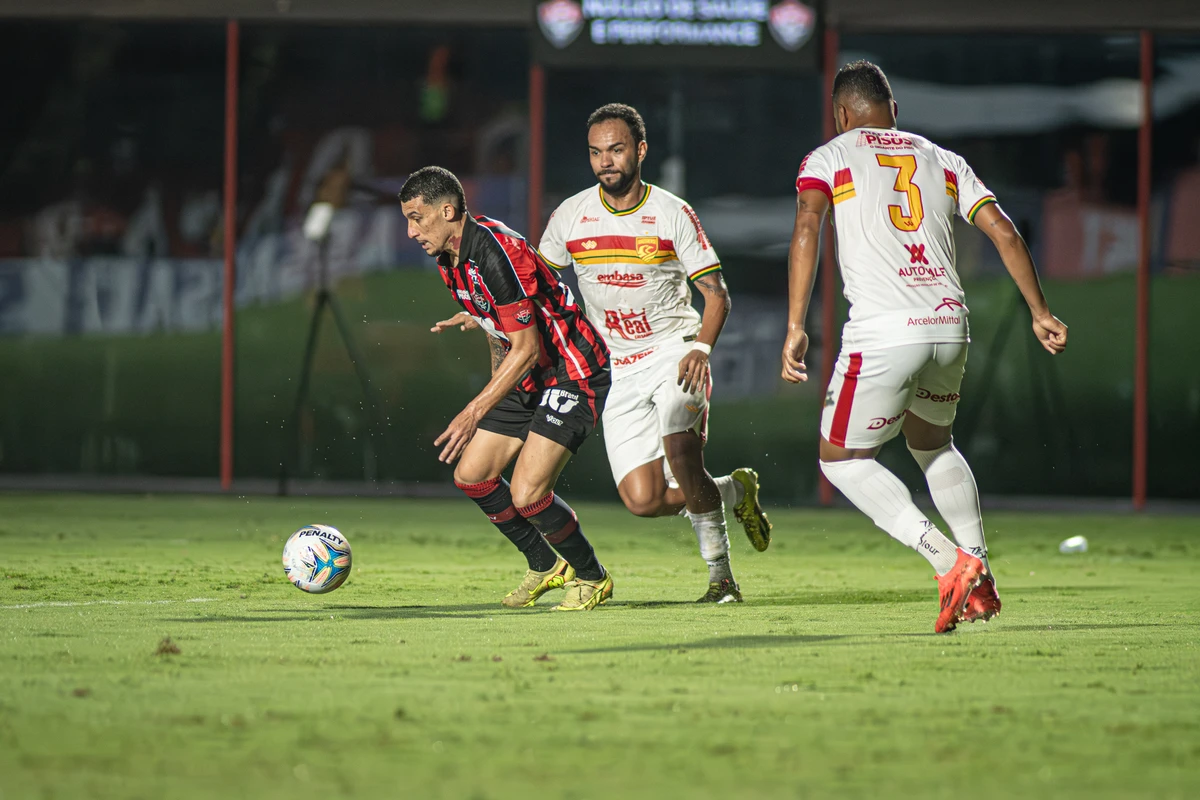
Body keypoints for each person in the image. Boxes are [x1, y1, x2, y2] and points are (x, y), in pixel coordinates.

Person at [782, 61, 1068, 632]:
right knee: (932, 442)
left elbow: (808, 227)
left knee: (839, 460)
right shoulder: (941, 158)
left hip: (884, 332)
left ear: (841, 115)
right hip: (949, 327)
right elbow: (1005, 230)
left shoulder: (829, 157)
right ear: (895, 112)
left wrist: (796, 323)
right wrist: (1039, 310)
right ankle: (981, 571)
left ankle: (948, 562)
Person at [538, 103, 772, 604]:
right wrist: (487, 311)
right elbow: (535, 286)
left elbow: (717, 294)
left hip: (675, 354)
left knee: (683, 456)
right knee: (643, 501)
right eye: (597, 152)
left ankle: (722, 579)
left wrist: (702, 350)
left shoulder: (671, 212)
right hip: (616, 368)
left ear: (640, 150)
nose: (606, 161)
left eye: (616, 149)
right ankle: (733, 491)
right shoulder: (570, 215)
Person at [399, 166, 614, 611]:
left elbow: (528, 346)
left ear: (448, 210)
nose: (410, 231)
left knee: (527, 493)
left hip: (572, 369)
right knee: (472, 474)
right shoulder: (448, 259)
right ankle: (545, 565)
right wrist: (495, 376)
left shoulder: (494, 252)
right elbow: (499, 327)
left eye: (417, 218)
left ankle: (593, 578)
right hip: (528, 373)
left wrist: (475, 410)